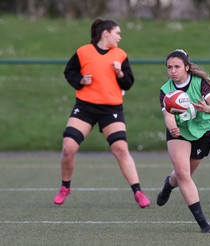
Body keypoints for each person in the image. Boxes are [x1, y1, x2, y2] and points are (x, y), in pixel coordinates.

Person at [53, 18, 150, 208]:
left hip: (111, 109)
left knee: (121, 149)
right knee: (68, 147)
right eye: (117, 33)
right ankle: (65, 187)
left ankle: (138, 191)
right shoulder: (83, 52)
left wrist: (120, 73)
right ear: (106, 33)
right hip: (85, 107)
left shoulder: (120, 55)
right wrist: (81, 80)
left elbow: (128, 83)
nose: (120, 37)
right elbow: (69, 72)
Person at [156, 49, 210, 233]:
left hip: (204, 129)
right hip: (181, 131)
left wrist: (205, 108)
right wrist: (172, 127)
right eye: (169, 67)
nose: (173, 71)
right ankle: (203, 222)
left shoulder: (201, 83)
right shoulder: (165, 90)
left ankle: (168, 184)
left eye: (177, 67)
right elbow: (168, 115)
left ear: (186, 67)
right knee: (184, 175)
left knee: (182, 175)